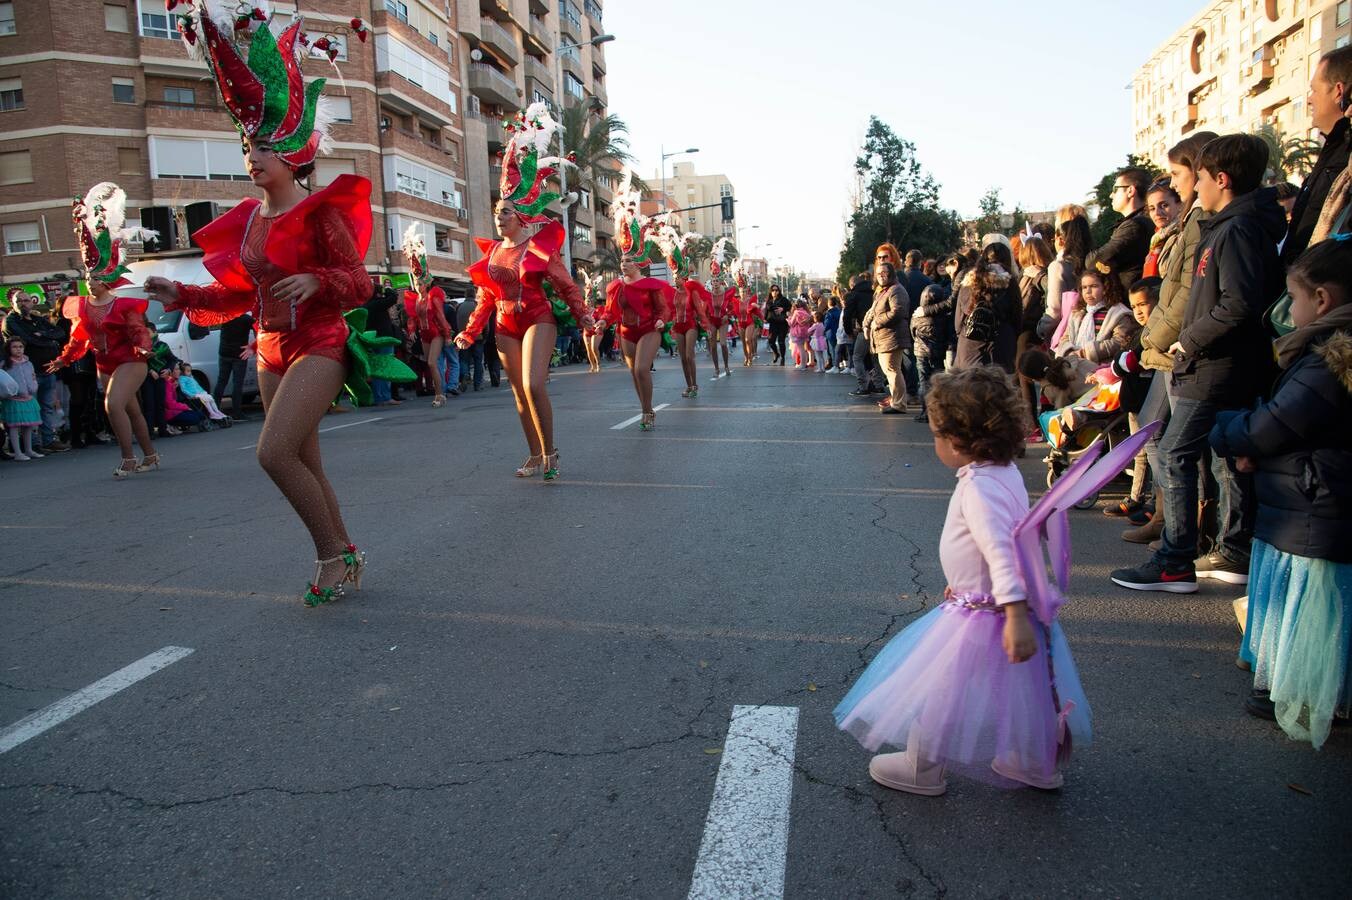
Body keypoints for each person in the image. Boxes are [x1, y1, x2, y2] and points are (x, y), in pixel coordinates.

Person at [144, 10, 374, 605]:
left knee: (273, 453)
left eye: (264, 145)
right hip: (269, 347)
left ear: (293, 151)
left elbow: (359, 283)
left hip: (320, 343)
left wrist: (317, 279)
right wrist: (184, 295)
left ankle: (330, 557)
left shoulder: (320, 212)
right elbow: (243, 292)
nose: (253, 155)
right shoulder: (249, 220)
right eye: (248, 145)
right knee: (304, 460)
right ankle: (345, 551)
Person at [834, 366, 1090, 794]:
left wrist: (1009, 612)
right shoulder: (1004, 471)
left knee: (940, 693)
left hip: (986, 613)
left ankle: (922, 767)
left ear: (958, 440)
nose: (935, 443)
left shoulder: (978, 488)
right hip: (1008, 605)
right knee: (1023, 692)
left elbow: (1000, 550)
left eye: (937, 435)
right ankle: (1034, 763)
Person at [1112, 134, 1285, 593]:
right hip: (1215, 362)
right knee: (1219, 456)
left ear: (1221, 180)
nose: (1192, 186)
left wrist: (1186, 340)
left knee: (1173, 451)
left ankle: (1175, 558)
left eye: (1197, 177)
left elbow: (1237, 304)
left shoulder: (1235, 229)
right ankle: (1229, 548)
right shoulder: (1225, 225)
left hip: (1214, 365)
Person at [1210, 236, 1352, 747]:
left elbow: (1275, 424)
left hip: (1315, 503)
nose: (1289, 310)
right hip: (1310, 494)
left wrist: (1228, 431)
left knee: (1317, 612)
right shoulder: (1324, 355)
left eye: (1293, 298)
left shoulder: (1327, 360)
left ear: (1321, 299)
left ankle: (1313, 694)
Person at [455, 104, 593, 475]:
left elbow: (565, 284)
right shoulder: (495, 252)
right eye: (498, 212)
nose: (498, 217)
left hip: (537, 317)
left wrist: (583, 314)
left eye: (504, 212)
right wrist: (469, 331)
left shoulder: (537, 248)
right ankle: (534, 454)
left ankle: (551, 450)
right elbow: (486, 296)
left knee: (533, 384)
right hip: (503, 325)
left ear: (520, 217)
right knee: (517, 393)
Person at [1126, 131, 1217, 545]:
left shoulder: (1198, 224)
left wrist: (1153, 337)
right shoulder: (1176, 230)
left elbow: (1183, 293)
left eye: (1176, 179)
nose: (1160, 210)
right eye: (1153, 206)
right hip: (1164, 342)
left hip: (1175, 344)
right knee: (1157, 431)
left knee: (1179, 446)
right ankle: (1168, 521)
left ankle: (1183, 535)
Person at [50, 183, 159, 478]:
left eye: (96, 276)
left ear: (107, 278)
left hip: (130, 360)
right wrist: (64, 359)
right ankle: (150, 455)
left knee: (113, 405)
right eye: (87, 276)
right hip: (104, 362)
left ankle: (128, 459)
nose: (90, 281)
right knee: (131, 409)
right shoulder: (81, 305)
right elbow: (79, 337)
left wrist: (143, 346)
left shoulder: (124, 305)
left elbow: (138, 330)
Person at [596, 209, 673, 430]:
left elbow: (663, 309)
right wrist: (603, 321)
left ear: (638, 263)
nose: (624, 264)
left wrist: (661, 320)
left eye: (628, 260)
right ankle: (644, 409)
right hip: (626, 333)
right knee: (633, 373)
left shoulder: (650, 285)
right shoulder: (616, 287)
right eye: (622, 260)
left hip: (649, 329)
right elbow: (610, 312)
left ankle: (649, 411)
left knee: (641, 369)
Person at [1280, 47, 1352, 266]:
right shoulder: (1333, 150)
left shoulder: (1346, 155)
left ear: (1338, 91)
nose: (1309, 99)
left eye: (1313, 90)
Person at [3, 289, 68, 453]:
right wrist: (47, 340)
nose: (23, 304)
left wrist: (44, 333)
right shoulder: (11, 321)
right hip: (26, 372)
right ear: (13, 304)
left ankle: (48, 440)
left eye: (25, 300)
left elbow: (60, 333)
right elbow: (27, 339)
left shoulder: (38, 319)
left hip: (47, 369)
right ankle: (33, 444)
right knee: (30, 408)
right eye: (19, 301)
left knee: (46, 406)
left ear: (32, 302)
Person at [401, 226, 454, 407]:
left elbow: (440, 317)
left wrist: (447, 335)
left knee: (432, 363)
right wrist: (411, 330)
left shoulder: (434, 295)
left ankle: (440, 395)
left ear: (427, 282)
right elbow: (413, 318)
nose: (418, 285)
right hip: (424, 335)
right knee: (430, 366)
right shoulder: (416, 299)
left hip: (435, 332)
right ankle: (438, 393)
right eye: (416, 282)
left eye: (421, 282)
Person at [1053, 268, 1139, 379]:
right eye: (1084, 287)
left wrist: (1087, 352)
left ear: (1105, 288)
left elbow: (1119, 341)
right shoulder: (1078, 314)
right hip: (1076, 368)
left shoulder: (1117, 313)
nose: (1088, 291)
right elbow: (1066, 337)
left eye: (1094, 286)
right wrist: (1070, 351)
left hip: (1103, 369)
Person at [656, 226, 711, 398]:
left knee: (689, 356)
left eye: (677, 276)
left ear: (684, 277)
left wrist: (706, 325)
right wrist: (664, 323)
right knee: (682, 358)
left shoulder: (691, 291)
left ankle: (695, 385)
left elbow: (700, 311)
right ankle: (688, 385)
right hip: (678, 326)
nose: (675, 279)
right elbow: (668, 311)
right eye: (673, 276)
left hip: (691, 325)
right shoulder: (671, 293)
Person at [1086, 166, 1156, 292]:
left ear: (1130, 191)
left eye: (1115, 189)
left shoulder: (1134, 226)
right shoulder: (1142, 221)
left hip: (1132, 301)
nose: (1111, 195)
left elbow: (1094, 261)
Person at [1015, 234, 1053, 424]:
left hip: (1030, 330)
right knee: (1025, 375)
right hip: (1029, 329)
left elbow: (1052, 297)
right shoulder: (1027, 274)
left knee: (1025, 375)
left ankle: (1032, 423)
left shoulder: (1040, 275)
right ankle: (1032, 421)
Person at [864, 260, 909, 414]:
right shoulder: (883, 290)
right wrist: (866, 324)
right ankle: (896, 400)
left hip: (892, 337)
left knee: (892, 370)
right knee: (890, 370)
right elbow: (872, 311)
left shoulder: (896, 290)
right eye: (878, 274)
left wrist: (877, 322)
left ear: (891, 273)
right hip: (884, 338)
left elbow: (898, 312)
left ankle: (899, 404)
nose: (881, 276)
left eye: (884, 273)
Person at [954, 257, 1014, 371]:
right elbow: (1017, 319)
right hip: (1000, 349)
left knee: (968, 386)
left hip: (968, 348)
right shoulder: (1009, 285)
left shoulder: (966, 286)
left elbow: (958, 323)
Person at [1039, 215, 1093, 342]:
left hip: (1065, 334)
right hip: (1090, 328)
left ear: (1060, 240)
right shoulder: (1091, 262)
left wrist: (1041, 329)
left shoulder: (1058, 266)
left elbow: (1055, 309)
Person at [911, 284, 952, 423]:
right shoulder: (944, 317)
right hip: (938, 353)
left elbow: (912, 333)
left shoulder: (917, 315)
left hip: (921, 353)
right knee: (938, 383)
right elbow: (948, 335)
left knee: (923, 382)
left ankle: (925, 411)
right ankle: (938, 411)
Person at [2, 337, 43, 460]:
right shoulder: (5, 364)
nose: (18, 349)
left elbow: (33, 377)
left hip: (28, 397)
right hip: (13, 399)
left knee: (28, 425)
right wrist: (10, 392)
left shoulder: (28, 363)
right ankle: (18, 452)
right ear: (9, 349)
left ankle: (29, 450)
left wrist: (34, 387)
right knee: (14, 426)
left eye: (20, 347)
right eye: (14, 347)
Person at [705, 239, 736, 379]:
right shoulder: (708, 295)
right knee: (712, 346)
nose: (715, 283)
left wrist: (727, 315)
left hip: (723, 321)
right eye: (713, 281)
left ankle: (727, 366)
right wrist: (705, 322)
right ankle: (717, 368)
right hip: (712, 321)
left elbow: (731, 308)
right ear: (711, 283)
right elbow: (704, 310)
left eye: (717, 281)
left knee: (723, 344)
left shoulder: (726, 294)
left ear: (720, 282)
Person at [213, 313, 253, 419]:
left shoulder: (225, 316)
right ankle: (237, 412)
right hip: (239, 354)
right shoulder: (246, 319)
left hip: (224, 352)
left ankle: (215, 409)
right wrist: (252, 346)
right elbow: (259, 329)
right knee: (237, 383)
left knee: (221, 381)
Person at [1142, 178, 1181, 277]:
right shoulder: (1157, 239)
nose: (1157, 213)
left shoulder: (1184, 233)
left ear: (1180, 204)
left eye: (1164, 205)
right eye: (1152, 208)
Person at [735, 268, 762, 367]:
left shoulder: (750, 301)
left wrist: (756, 306)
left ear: (747, 292)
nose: (742, 293)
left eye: (744, 292)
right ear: (739, 292)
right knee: (743, 342)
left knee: (747, 340)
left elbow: (758, 308)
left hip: (749, 322)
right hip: (740, 323)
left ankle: (750, 356)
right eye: (741, 292)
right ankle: (746, 357)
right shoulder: (736, 302)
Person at [764, 284, 790, 365]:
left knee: (781, 341)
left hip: (782, 323)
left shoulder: (783, 299)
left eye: (776, 290)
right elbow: (767, 309)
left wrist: (783, 309)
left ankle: (782, 358)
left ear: (779, 291)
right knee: (771, 341)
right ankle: (776, 353)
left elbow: (790, 306)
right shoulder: (769, 301)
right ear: (770, 292)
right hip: (773, 323)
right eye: (773, 290)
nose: (775, 292)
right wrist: (765, 319)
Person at [788, 298, 813, 368]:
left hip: (797, 333)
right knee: (803, 349)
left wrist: (788, 319)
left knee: (801, 349)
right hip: (805, 333)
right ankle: (804, 364)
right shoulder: (806, 312)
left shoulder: (796, 312)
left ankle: (802, 365)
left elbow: (792, 323)